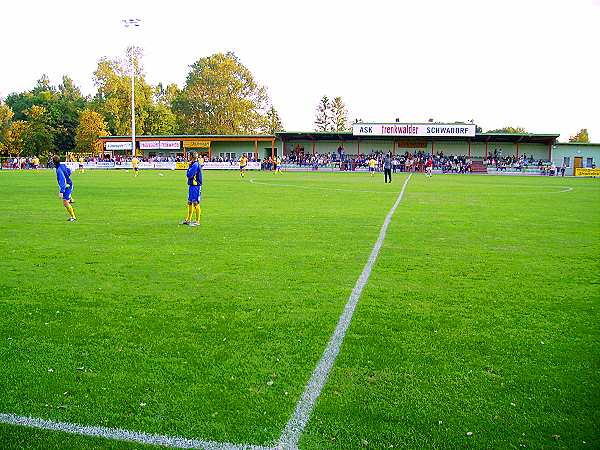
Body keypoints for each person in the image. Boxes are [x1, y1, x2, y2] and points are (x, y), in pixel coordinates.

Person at [53, 155, 76, 222]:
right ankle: (71, 199)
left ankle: (73, 217)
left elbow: (63, 181)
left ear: (53, 162)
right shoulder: (63, 165)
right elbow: (69, 171)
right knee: (67, 199)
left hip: (67, 186)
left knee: (65, 203)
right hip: (68, 184)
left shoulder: (59, 170)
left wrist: (61, 192)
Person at [182, 152, 202, 226]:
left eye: (189, 156)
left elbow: (189, 175)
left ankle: (197, 221)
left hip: (195, 186)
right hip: (192, 186)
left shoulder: (195, 165)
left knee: (196, 203)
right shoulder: (194, 164)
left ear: (192, 157)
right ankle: (188, 219)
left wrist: (189, 167)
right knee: (190, 202)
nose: (188, 157)